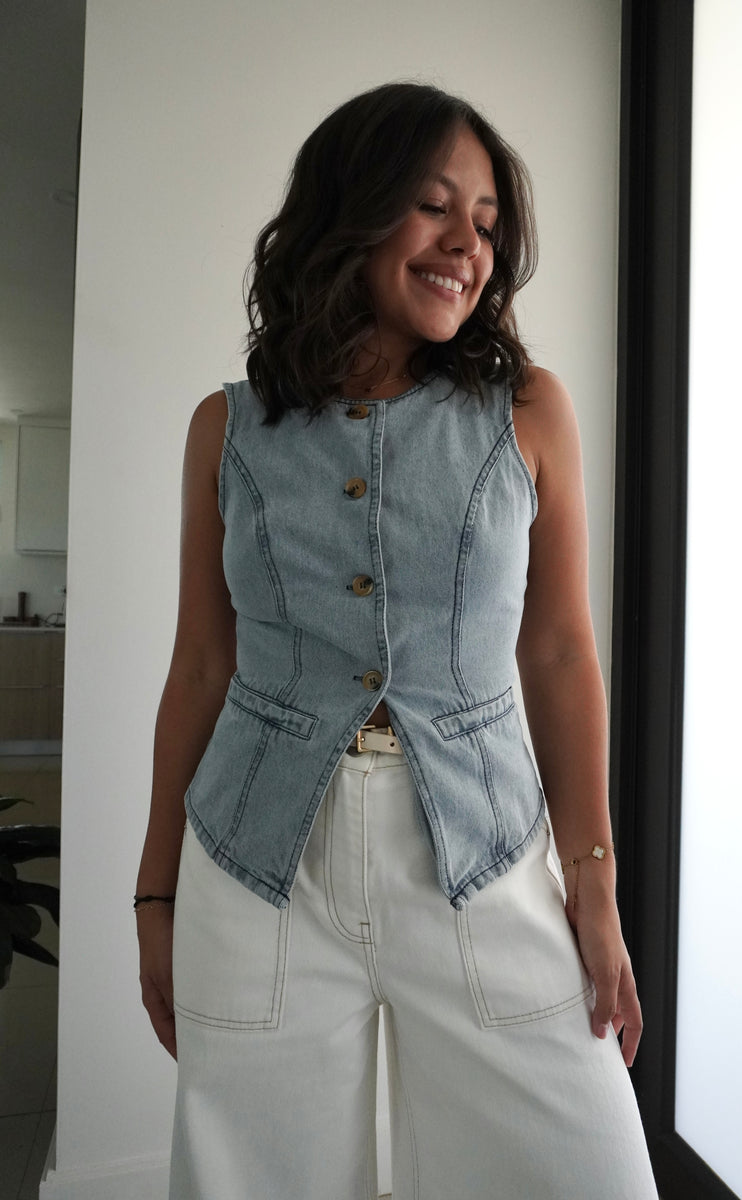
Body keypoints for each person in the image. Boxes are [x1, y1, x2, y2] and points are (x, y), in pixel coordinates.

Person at [135, 81, 658, 1199]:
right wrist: (154, 896)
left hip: (485, 857)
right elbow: (201, 666)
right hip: (258, 868)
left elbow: (560, 653)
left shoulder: (528, 411)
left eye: (486, 223)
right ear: (351, 211)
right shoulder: (227, 429)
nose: (468, 245)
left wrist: (595, 884)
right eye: (434, 206)